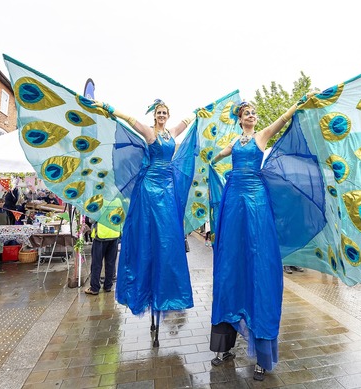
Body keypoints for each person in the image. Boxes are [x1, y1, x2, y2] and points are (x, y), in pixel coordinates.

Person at [209, 98, 311, 381]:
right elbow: (216, 157)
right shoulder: (235, 143)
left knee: (257, 264)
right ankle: (223, 348)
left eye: (253, 113)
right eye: (247, 113)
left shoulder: (261, 136)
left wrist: (297, 105)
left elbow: (280, 121)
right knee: (229, 266)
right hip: (233, 203)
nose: (252, 116)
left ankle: (262, 358)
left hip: (255, 202)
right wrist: (208, 160)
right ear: (240, 119)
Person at [94, 99, 196, 318]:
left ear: (168, 115)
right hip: (150, 186)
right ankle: (145, 285)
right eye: (158, 112)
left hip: (168, 184)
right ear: (154, 115)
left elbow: (186, 123)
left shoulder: (170, 133)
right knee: (151, 233)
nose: (161, 115)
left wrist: (199, 113)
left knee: (168, 235)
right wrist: (108, 107)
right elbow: (131, 120)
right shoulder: (150, 134)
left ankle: (166, 287)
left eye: (164, 112)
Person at [85, 221, 121, 295]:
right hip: (114, 234)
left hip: (101, 236)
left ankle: (94, 288)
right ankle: (108, 286)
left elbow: (91, 220)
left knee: (96, 263)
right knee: (111, 263)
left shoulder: (100, 208)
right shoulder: (117, 208)